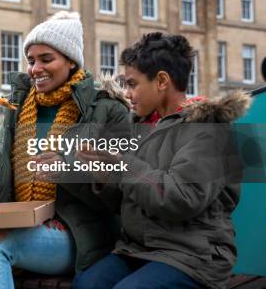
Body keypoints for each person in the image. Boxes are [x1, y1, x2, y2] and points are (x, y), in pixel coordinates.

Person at [0, 11, 130, 289]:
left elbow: (118, 197)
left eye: (46, 59)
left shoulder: (108, 109)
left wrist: (65, 172)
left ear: (71, 60)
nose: (35, 68)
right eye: (31, 61)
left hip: (79, 233)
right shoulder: (20, 108)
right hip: (21, 219)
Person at [74, 32, 247, 289]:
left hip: (193, 255)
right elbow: (128, 200)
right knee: (85, 285)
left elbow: (180, 198)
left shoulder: (206, 129)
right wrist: (104, 176)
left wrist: (122, 167)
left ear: (162, 81)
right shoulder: (142, 126)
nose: (128, 94)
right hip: (139, 249)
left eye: (133, 84)